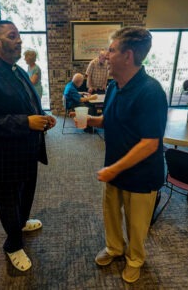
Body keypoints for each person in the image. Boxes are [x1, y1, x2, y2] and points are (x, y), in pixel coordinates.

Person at [0, 20, 56, 272]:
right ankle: (13, 245)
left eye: (19, 36)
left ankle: (21, 222)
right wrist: (26, 122)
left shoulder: (18, 70)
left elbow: (27, 104)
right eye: (12, 36)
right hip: (1, 156)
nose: (19, 40)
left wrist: (43, 116)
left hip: (27, 150)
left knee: (25, 194)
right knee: (7, 201)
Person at [77, 27, 168, 283]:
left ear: (128, 56)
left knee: (137, 226)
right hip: (114, 166)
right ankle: (115, 248)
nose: (105, 55)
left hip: (140, 175)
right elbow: (109, 119)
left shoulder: (151, 92)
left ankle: (135, 259)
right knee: (111, 215)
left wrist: (114, 169)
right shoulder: (115, 86)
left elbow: (150, 143)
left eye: (112, 50)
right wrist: (89, 121)